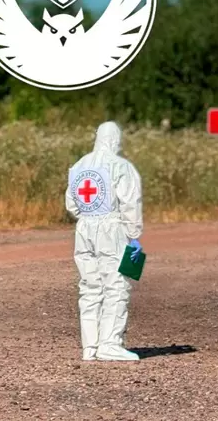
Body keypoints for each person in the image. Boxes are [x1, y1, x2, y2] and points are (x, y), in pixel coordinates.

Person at [65, 121, 144, 362]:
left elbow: (71, 204)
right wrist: (134, 234)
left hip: (84, 229)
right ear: (115, 139)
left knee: (89, 287)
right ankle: (110, 343)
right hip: (112, 228)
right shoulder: (120, 166)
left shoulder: (78, 166)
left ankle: (90, 346)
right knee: (117, 285)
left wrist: (89, 218)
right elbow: (131, 202)